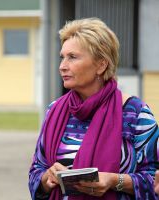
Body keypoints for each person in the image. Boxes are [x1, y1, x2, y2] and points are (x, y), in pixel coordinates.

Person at [29, 18, 159, 200]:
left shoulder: (135, 114)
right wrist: (46, 178)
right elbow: (36, 171)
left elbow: (155, 181)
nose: (62, 66)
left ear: (101, 65)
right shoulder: (54, 110)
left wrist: (114, 181)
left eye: (72, 57)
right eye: (62, 57)